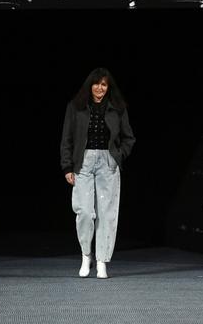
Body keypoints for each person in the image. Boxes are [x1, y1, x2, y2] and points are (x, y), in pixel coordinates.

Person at [60, 67, 136, 279]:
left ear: (108, 87)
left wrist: (118, 155)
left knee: (106, 214)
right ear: (89, 85)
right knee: (84, 211)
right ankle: (86, 255)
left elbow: (129, 137)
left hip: (107, 161)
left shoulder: (118, 108)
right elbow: (66, 139)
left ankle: (102, 261)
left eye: (104, 84)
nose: (100, 88)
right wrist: (67, 166)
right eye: (96, 84)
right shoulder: (76, 107)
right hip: (82, 162)